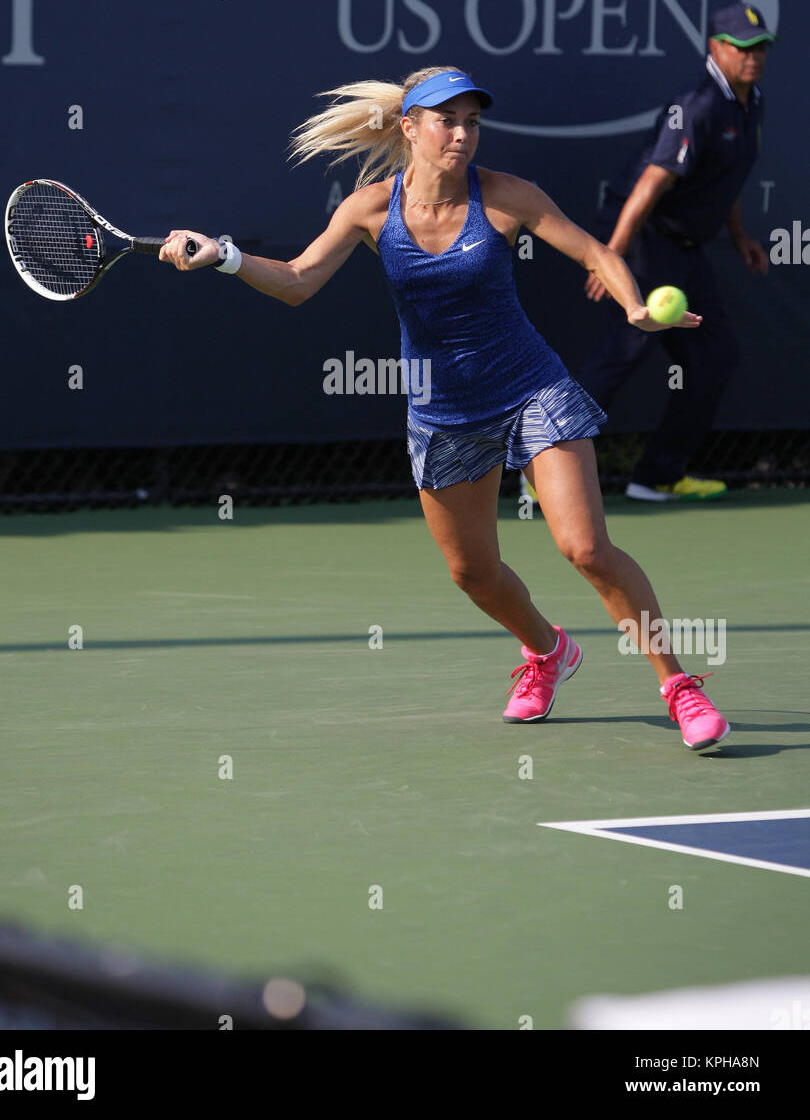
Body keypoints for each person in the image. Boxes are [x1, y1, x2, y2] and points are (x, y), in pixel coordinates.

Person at [159, 66, 729, 750]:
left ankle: (679, 687)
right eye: (446, 121)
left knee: (586, 549)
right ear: (411, 128)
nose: (462, 135)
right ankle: (547, 653)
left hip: (530, 390)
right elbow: (299, 282)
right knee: (472, 572)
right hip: (444, 414)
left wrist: (634, 304)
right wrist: (222, 256)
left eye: (472, 121)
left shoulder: (508, 196)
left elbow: (593, 249)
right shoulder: (370, 209)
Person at [576, 2, 774, 502]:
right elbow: (650, 185)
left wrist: (741, 236)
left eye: (761, 47)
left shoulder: (752, 104)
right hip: (643, 239)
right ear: (716, 49)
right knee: (623, 351)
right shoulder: (699, 104)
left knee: (715, 355)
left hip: (686, 248)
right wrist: (611, 256)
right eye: (743, 48)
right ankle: (547, 467)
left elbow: (723, 180)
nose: (754, 57)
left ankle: (656, 475)